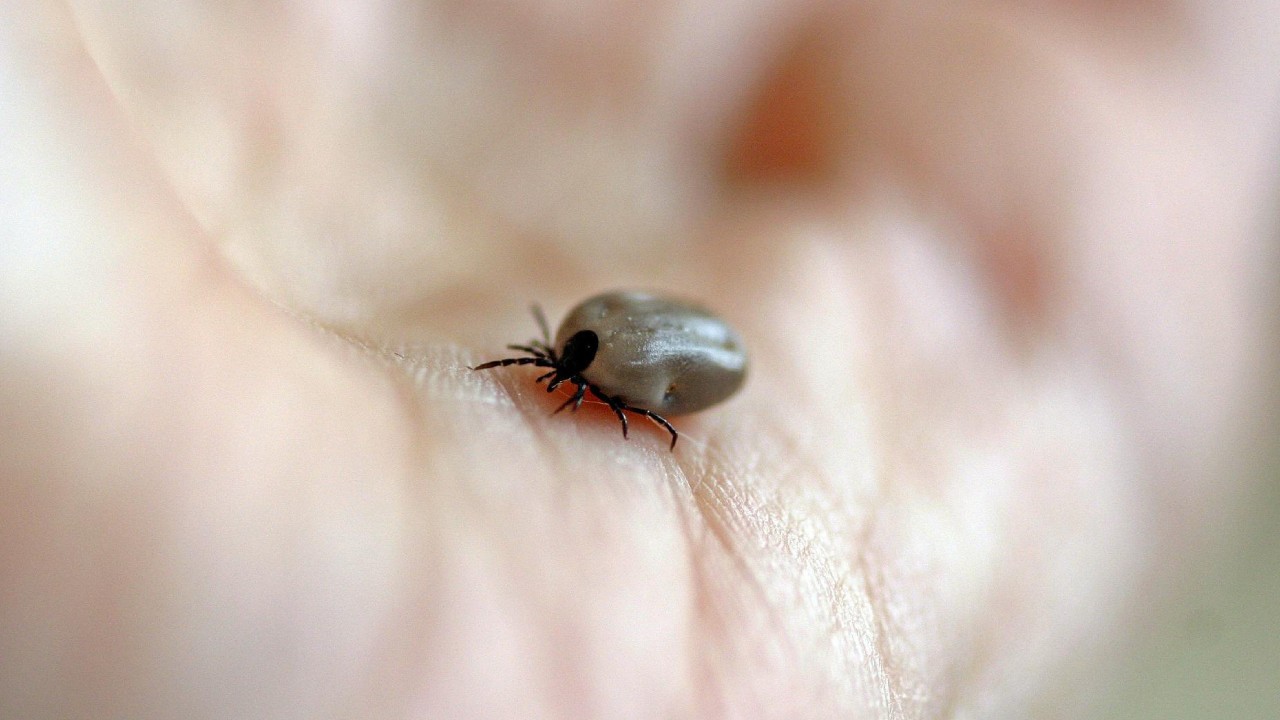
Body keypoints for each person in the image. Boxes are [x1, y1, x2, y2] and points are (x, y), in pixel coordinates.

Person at [1, 1, 1276, 716]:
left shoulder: (602, 355)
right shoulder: (597, 356)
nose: (556, 388)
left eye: (564, 380)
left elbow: (639, 367)